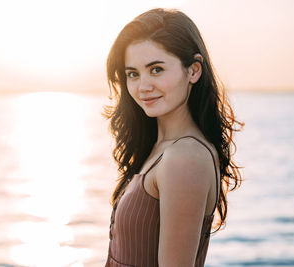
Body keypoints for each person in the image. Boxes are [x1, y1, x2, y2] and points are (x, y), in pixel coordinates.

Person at [103, 8, 243, 267]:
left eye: (156, 69)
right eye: (132, 74)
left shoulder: (185, 157)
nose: (143, 86)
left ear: (193, 71)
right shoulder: (160, 149)